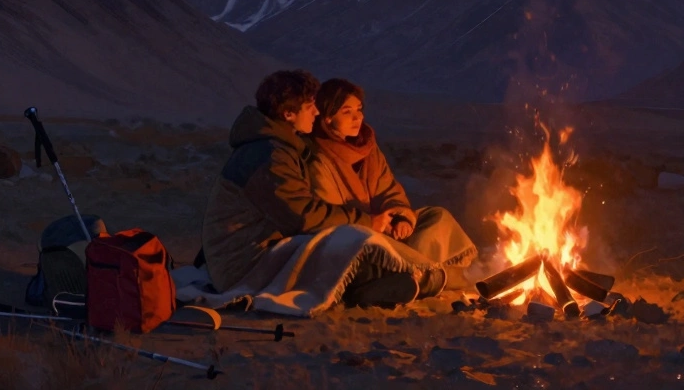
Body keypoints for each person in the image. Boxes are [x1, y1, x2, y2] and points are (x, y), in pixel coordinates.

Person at [199, 70, 451, 307]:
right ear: (289, 114)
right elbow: (305, 216)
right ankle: (377, 285)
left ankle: (388, 280)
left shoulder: (282, 149)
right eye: (310, 108)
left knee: (426, 221)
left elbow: (385, 190)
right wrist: (367, 222)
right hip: (245, 263)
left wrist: (398, 214)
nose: (316, 114)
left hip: (267, 248)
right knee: (345, 243)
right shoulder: (268, 155)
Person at [307, 78, 478, 295]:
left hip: (383, 226)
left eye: (359, 109)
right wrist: (374, 223)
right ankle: (431, 276)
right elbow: (331, 214)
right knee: (371, 248)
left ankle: (415, 273)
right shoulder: (318, 158)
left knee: (435, 217)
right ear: (328, 117)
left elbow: (387, 188)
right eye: (347, 112)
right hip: (357, 235)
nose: (357, 117)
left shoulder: (367, 148)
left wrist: (400, 217)